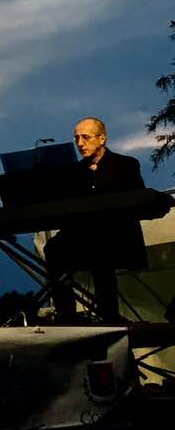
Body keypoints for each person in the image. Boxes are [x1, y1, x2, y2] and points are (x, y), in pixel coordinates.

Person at [43, 117, 146, 324]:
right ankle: (66, 315)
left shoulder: (126, 165)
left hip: (117, 235)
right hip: (84, 236)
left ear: (102, 139)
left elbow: (137, 201)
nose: (80, 143)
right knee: (53, 248)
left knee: (101, 249)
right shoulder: (74, 172)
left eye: (85, 137)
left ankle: (109, 316)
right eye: (76, 139)